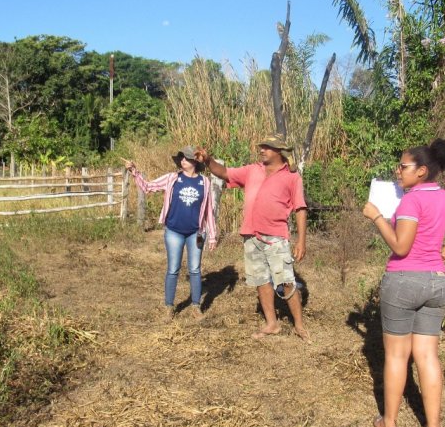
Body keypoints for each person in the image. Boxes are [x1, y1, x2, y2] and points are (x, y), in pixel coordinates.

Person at [363, 139, 445, 427]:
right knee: (428, 356)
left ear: (422, 171)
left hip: (403, 281)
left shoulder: (410, 201)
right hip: (436, 283)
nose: (398, 171)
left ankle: (389, 423)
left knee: (396, 356)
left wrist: (377, 217)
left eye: (403, 166)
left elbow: (401, 247)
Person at [195, 135, 310, 342]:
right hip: (251, 236)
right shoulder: (252, 170)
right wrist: (208, 160)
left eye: (267, 147)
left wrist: (301, 241)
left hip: (276, 238)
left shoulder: (292, 177)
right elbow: (224, 172)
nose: (262, 150)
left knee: (285, 281)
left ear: (279, 151)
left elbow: (300, 209)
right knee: (261, 280)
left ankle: (299, 325)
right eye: (262, 147)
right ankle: (271, 323)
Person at [124, 146, 218, 319]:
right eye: (181, 157)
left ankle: (196, 307)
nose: (182, 160)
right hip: (174, 231)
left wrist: (212, 235)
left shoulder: (204, 182)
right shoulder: (172, 178)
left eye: (186, 158)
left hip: (196, 233)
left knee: (195, 269)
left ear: (195, 162)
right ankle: (169, 307)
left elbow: (208, 211)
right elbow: (148, 187)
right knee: (173, 269)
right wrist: (134, 171)